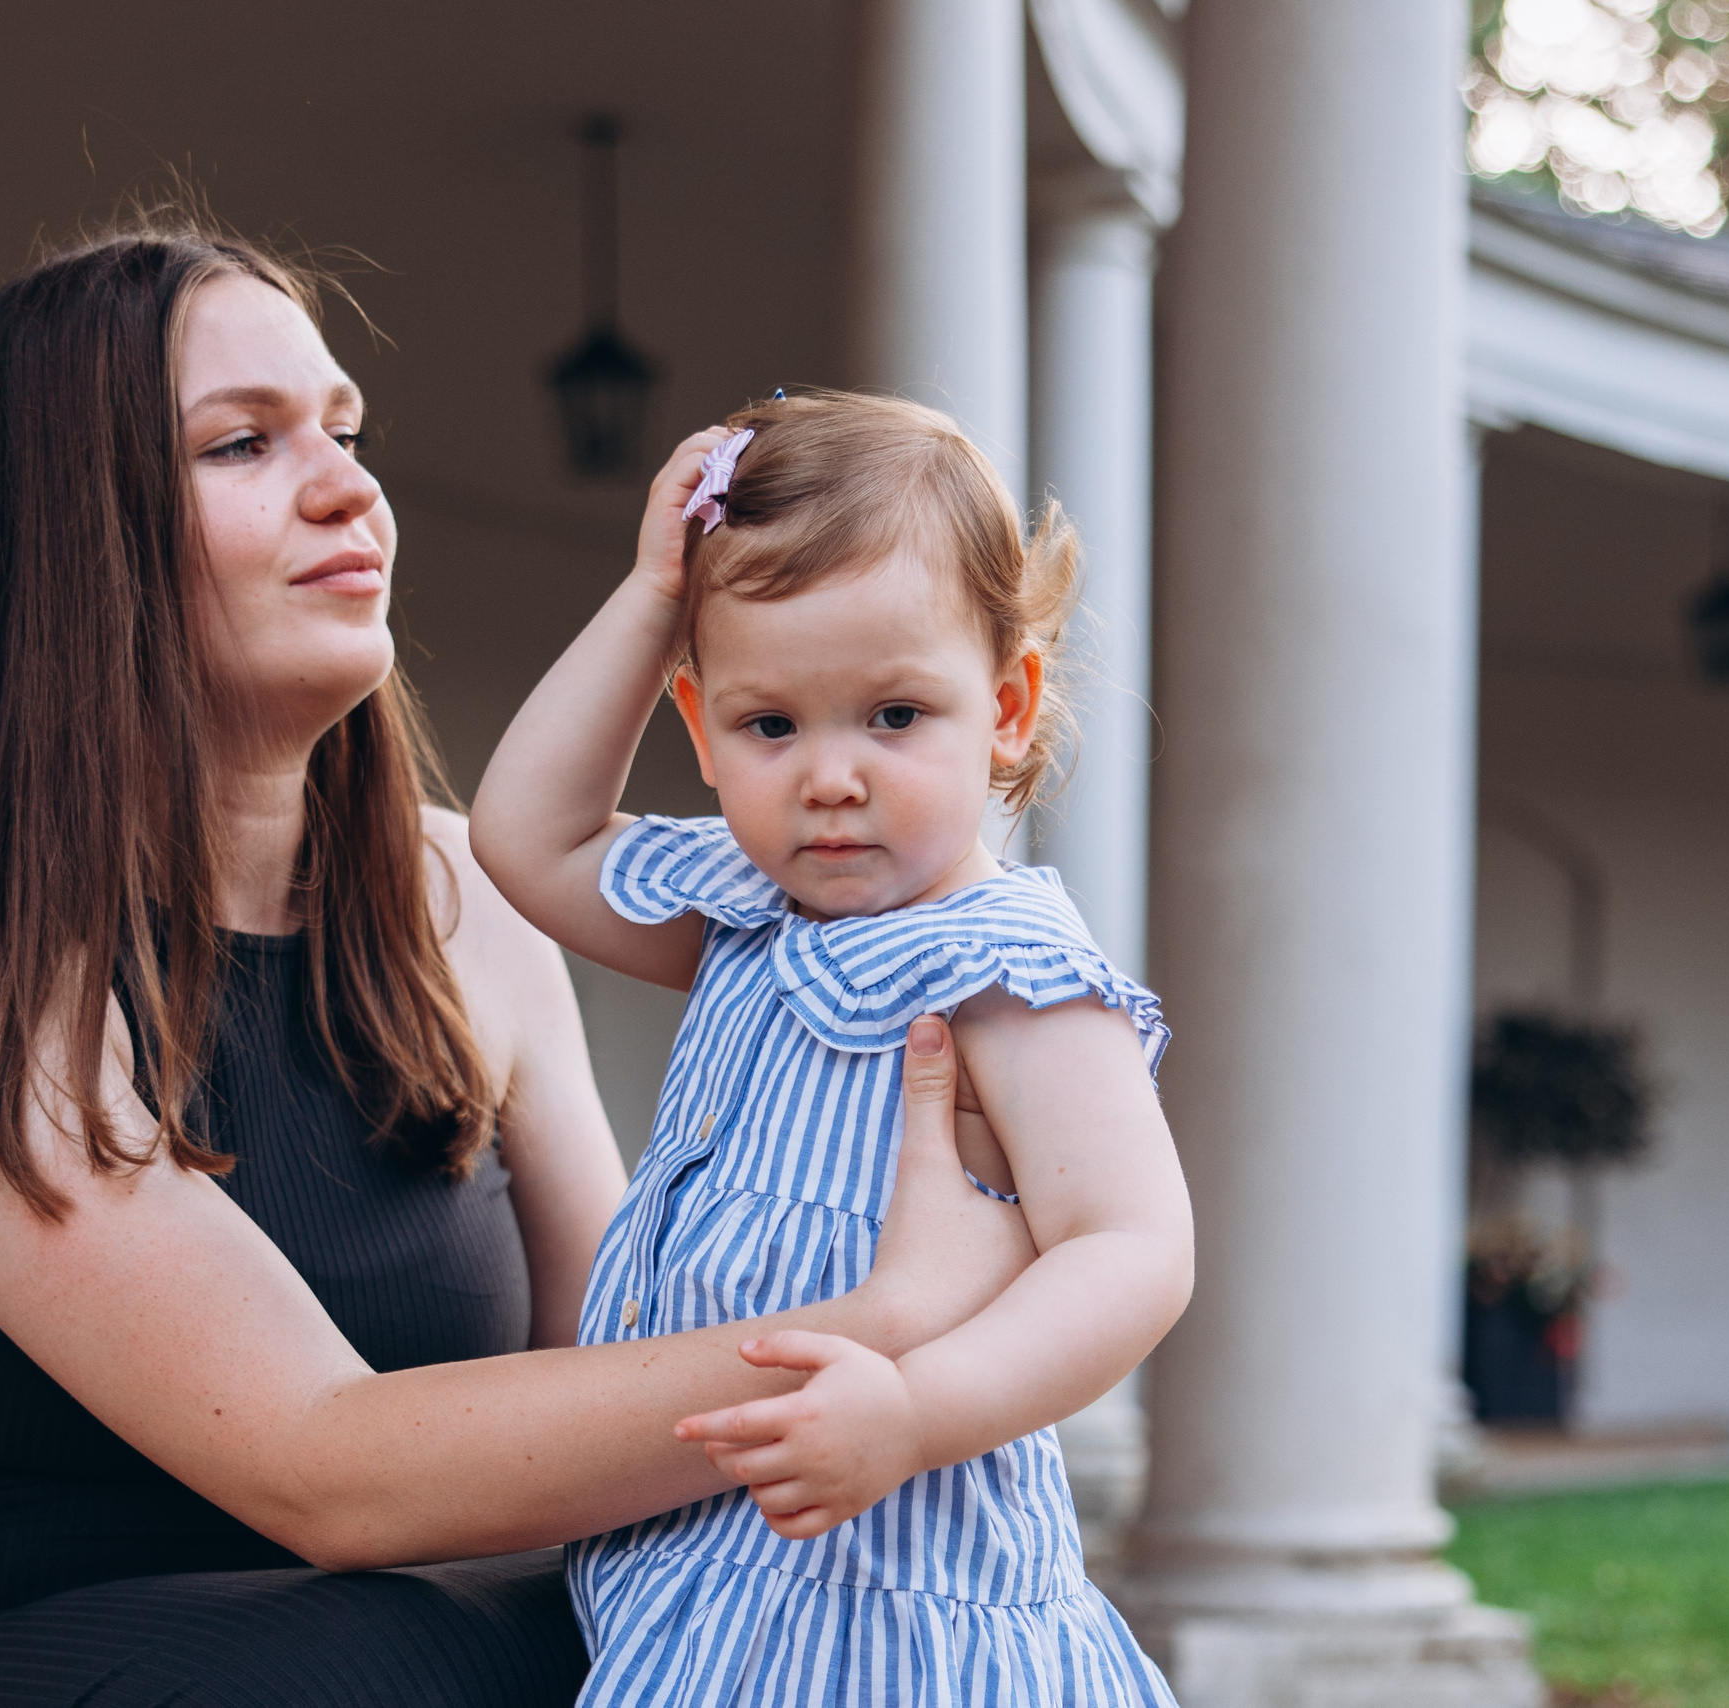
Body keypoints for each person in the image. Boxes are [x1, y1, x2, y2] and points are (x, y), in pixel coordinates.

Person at [0, 225, 1029, 1708]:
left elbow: (625, 1367)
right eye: (242, 444)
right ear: (68, 540)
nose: (350, 488)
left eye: (346, 430)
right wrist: (884, 1328)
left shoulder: (465, 904)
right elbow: (327, 1472)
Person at [468, 390, 1197, 1706]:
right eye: (772, 725)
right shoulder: (745, 913)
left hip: (888, 1597)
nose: (832, 777)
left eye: (896, 715)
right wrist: (651, 597)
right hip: (709, 1572)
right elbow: (528, 836)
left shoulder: (1005, 971)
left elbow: (1132, 1250)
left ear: (1008, 708)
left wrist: (921, 1411)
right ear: (700, 728)